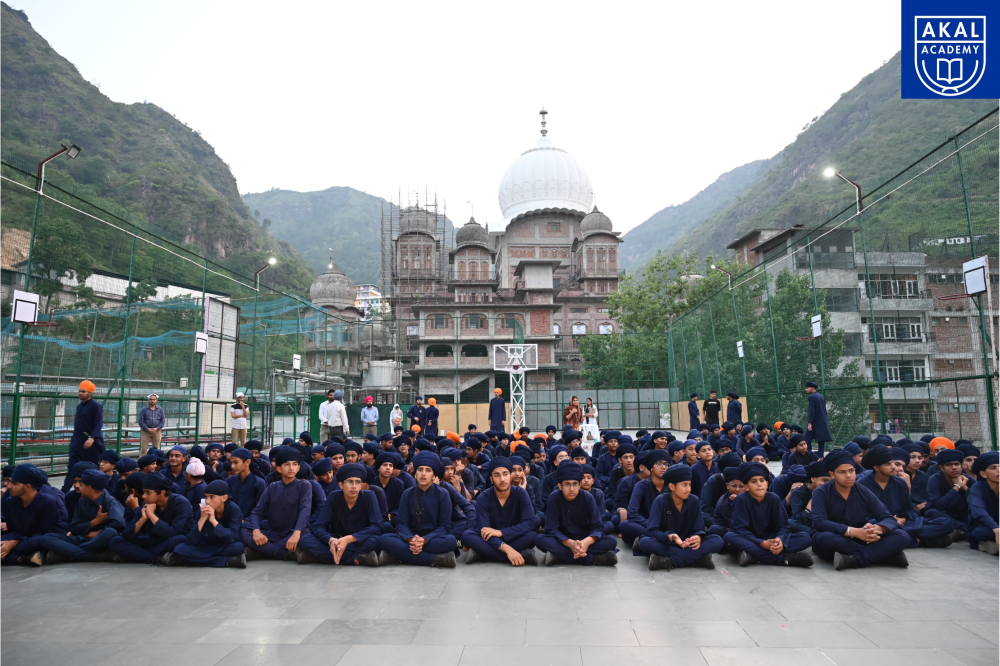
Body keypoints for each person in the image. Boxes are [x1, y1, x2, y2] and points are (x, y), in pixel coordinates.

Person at [810, 450, 910, 570]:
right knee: (824, 539)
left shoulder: (863, 491)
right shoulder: (821, 492)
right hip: (837, 536)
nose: (848, 475)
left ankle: (855, 559)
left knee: (902, 535)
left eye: (851, 471)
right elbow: (819, 522)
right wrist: (854, 532)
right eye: (842, 472)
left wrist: (877, 529)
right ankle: (883, 555)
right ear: (832, 474)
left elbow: (887, 517)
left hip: (862, 538)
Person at [857, 444, 954, 548]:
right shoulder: (862, 485)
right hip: (879, 525)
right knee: (871, 530)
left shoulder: (900, 483)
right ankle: (919, 541)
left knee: (946, 523)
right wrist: (888, 522)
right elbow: (861, 516)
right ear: (876, 467)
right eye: (888, 464)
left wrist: (902, 519)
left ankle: (902, 538)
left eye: (893, 463)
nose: (894, 467)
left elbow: (908, 509)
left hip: (902, 524)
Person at [724, 462, 814, 567]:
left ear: (767, 484)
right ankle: (783, 559)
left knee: (805, 537)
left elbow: (783, 526)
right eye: (754, 481)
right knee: (729, 537)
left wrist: (780, 540)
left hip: (771, 539)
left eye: (762, 481)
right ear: (746, 486)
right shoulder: (741, 499)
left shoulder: (773, 498)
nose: (759, 484)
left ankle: (754, 557)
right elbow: (740, 530)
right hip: (750, 540)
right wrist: (762, 543)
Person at [378, 452, 457, 567]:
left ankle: (400, 556)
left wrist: (424, 540)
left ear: (434, 476)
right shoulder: (407, 494)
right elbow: (402, 524)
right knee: (384, 539)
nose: (423, 474)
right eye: (420, 470)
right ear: (415, 474)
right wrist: (412, 540)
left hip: (433, 539)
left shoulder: (443, 494)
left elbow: (444, 526)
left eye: (428, 470)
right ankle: (434, 559)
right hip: (410, 538)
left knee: (450, 541)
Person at [640, 464, 724, 570]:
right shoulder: (660, 501)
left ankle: (669, 561)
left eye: (689, 485)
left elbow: (699, 528)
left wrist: (698, 537)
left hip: (689, 544)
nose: (688, 489)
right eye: (684, 485)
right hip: (668, 544)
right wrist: (671, 537)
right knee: (645, 543)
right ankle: (697, 558)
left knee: (717, 540)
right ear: (672, 486)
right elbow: (652, 531)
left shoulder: (693, 500)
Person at [296, 463, 381, 566]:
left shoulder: (369, 496)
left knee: (376, 542)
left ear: (362, 485)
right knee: (305, 540)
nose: (354, 486)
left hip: (359, 540)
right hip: (337, 539)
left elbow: (376, 527)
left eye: (357, 482)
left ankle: (317, 556)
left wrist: (348, 539)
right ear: (341, 485)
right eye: (349, 482)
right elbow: (319, 526)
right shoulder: (334, 496)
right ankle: (357, 558)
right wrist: (331, 540)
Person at [536, 462, 618, 566]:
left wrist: (586, 543)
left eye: (575, 484)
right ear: (560, 486)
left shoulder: (587, 497)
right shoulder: (554, 497)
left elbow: (598, 528)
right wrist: (571, 543)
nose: (571, 489)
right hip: (563, 539)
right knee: (539, 539)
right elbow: (551, 529)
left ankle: (560, 556)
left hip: (584, 537)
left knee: (611, 541)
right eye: (567, 484)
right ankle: (591, 559)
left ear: (579, 484)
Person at [462, 458, 539, 565]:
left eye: (505, 474)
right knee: (467, 535)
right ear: (491, 479)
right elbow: (484, 531)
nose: (502, 479)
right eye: (497, 475)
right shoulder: (483, 498)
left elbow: (530, 522)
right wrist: (507, 549)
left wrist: (501, 533)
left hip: (513, 536)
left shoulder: (521, 493)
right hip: (490, 539)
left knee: (533, 536)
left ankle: (482, 554)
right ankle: (520, 554)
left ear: (510, 475)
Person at [241, 449, 313, 561]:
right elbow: (257, 512)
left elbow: (305, 510)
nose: (291, 468)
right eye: (286, 464)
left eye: (294, 464)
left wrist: (296, 533)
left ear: (298, 468)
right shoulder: (272, 487)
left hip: (294, 532)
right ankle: (282, 553)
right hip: (274, 533)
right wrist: (256, 531)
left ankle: (261, 551)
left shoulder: (304, 486)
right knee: (244, 532)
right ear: (278, 468)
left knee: (305, 537)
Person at [42, 469, 124, 563]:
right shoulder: (82, 501)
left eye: (82, 485)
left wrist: (99, 532)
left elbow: (120, 523)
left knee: (110, 532)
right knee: (47, 538)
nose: (78, 487)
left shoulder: (110, 502)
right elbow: (74, 528)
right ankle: (95, 556)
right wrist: (94, 522)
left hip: (100, 540)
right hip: (83, 538)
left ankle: (70, 553)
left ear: (89, 487)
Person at [108, 473, 193, 564]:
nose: (144, 496)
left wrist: (151, 515)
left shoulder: (181, 503)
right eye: (144, 492)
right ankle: (154, 558)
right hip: (154, 539)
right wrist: (143, 519)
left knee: (178, 541)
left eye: (148, 492)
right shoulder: (147, 504)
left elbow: (172, 532)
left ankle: (136, 555)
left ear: (162, 492)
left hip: (173, 539)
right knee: (116, 541)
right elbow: (127, 535)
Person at [165, 480, 246, 567]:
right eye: (206, 497)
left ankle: (191, 560)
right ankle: (228, 561)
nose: (207, 501)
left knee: (238, 547)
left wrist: (213, 520)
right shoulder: (203, 510)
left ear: (224, 498)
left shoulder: (234, 509)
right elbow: (191, 541)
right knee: (180, 549)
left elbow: (231, 536)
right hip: (209, 543)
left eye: (212, 497)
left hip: (227, 544)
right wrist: (202, 520)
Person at [1, 465, 61, 566]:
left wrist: (13, 543)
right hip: (20, 538)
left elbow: (44, 532)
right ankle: (23, 559)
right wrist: (9, 542)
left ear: (28, 486)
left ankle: (14, 556)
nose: (9, 486)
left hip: (41, 538)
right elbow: (13, 530)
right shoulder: (10, 501)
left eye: (14, 483)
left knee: (40, 541)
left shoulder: (48, 502)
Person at [63, 380, 107, 491]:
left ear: (90, 393)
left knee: (94, 468)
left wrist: (92, 439)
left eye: (83, 391)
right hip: (77, 444)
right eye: (79, 391)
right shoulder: (79, 407)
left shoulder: (95, 406)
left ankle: (99, 489)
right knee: (72, 468)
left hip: (91, 445)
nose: (80, 393)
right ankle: (64, 491)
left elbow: (98, 423)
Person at [926, 448, 976, 540]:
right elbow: (938, 505)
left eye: (957, 464)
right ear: (942, 467)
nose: (954, 467)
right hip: (946, 514)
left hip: (964, 514)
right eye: (949, 465)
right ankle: (966, 530)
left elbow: (978, 501)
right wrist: (956, 487)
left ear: (961, 466)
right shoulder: (934, 480)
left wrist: (964, 487)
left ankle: (961, 531)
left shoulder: (968, 479)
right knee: (931, 512)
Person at [967, 451, 999, 555]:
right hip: (984, 527)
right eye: (993, 468)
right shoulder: (977, 488)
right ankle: (984, 543)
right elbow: (978, 511)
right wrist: (995, 528)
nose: (999, 470)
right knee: (982, 532)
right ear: (983, 474)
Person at [805, 382, 831, 457]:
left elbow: (812, 411)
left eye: (807, 388)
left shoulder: (811, 397)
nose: (806, 389)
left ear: (812, 388)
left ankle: (808, 455)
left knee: (807, 438)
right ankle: (820, 455)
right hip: (822, 421)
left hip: (814, 422)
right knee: (821, 439)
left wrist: (810, 423)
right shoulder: (820, 396)